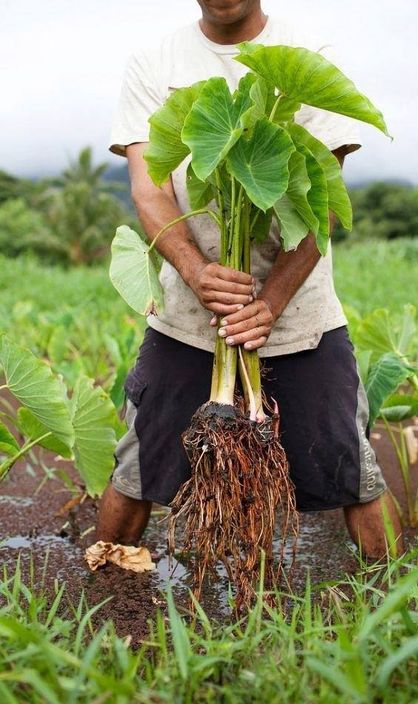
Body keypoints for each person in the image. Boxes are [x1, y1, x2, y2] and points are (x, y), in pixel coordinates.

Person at [98, 0, 402, 558]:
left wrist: (273, 300)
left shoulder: (305, 58)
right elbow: (149, 188)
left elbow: (322, 203)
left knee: (351, 466)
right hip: (190, 316)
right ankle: (107, 589)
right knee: (139, 465)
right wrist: (196, 272)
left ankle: (397, 606)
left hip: (299, 311)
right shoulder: (155, 62)